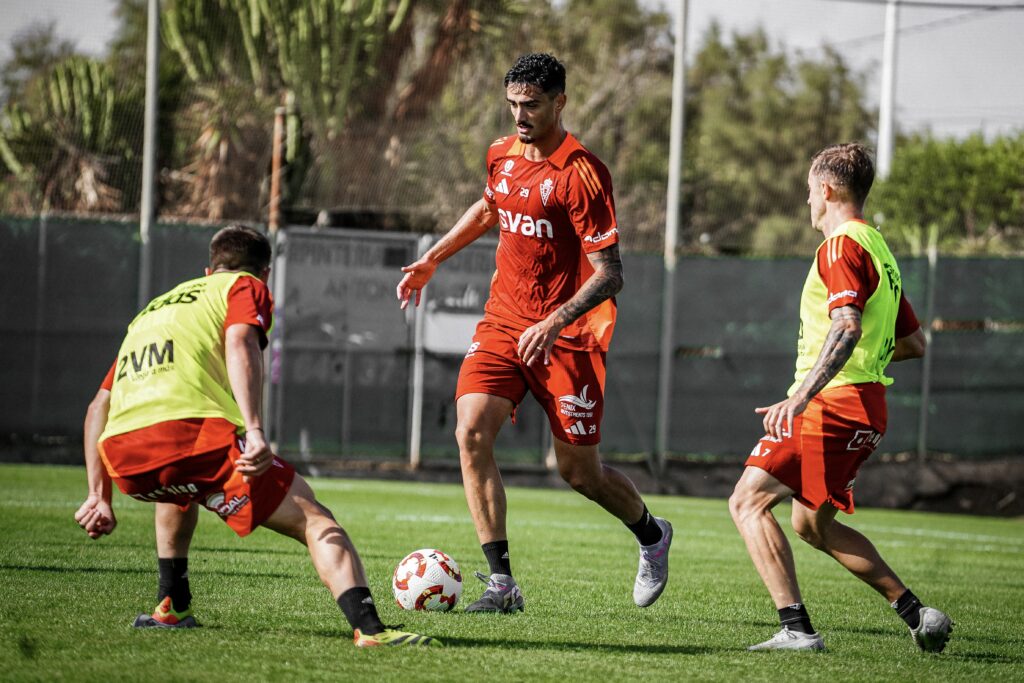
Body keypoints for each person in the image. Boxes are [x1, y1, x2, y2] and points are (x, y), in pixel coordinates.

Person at [396, 53, 672, 613]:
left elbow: (610, 273)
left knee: (580, 473)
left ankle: (651, 534)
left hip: (567, 337)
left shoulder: (581, 173)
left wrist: (554, 321)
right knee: (470, 431)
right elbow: (489, 209)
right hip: (502, 323)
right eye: (514, 105)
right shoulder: (501, 154)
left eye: (533, 105)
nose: (521, 116)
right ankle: (501, 585)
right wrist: (433, 259)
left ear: (560, 103)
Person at [75, 225, 438, 647]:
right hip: (194, 437)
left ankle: (171, 605)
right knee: (315, 518)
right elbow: (241, 341)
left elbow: (97, 407)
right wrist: (255, 431)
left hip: (125, 458)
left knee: (180, 489)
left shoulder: (152, 311)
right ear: (264, 273)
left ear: (207, 269)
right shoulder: (244, 287)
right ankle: (371, 630)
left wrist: (98, 494)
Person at [729, 143, 953, 652]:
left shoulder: (839, 246)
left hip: (830, 404)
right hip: (867, 407)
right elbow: (915, 344)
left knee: (747, 501)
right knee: (810, 524)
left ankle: (796, 629)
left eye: (809, 191)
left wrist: (803, 395)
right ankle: (918, 614)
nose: (808, 201)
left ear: (825, 190)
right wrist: (864, 362)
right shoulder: (879, 249)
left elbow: (847, 324)